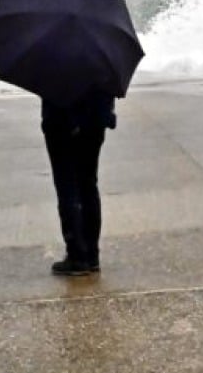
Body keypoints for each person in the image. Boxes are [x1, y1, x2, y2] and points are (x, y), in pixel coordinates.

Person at [41, 88, 116, 276]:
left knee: (67, 186)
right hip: (96, 119)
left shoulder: (56, 66)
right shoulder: (102, 66)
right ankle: (91, 254)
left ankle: (77, 256)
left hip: (62, 120)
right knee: (88, 183)